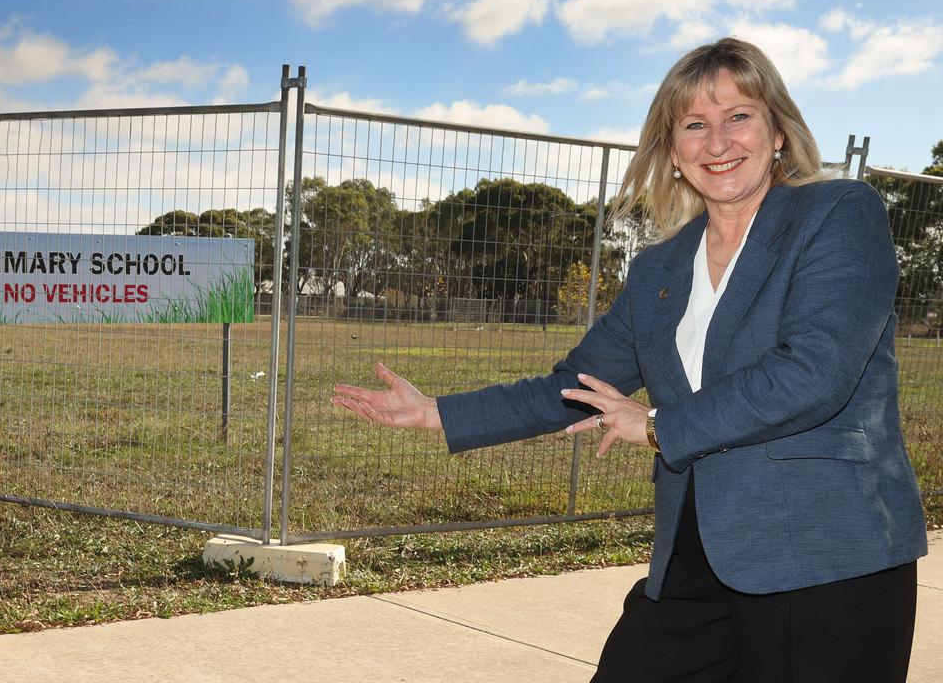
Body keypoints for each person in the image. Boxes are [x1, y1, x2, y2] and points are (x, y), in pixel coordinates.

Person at [331, 38, 927, 682]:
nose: (718, 142)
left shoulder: (837, 214)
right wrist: (438, 414)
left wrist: (656, 425)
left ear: (778, 131)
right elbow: (575, 387)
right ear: (672, 153)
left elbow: (814, 371)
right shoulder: (660, 270)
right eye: (695, 125)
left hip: (827, 560)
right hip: (697, 561)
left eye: (739, 117)